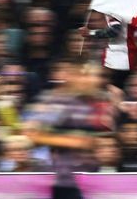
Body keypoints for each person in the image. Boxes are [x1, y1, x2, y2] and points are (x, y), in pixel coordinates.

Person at [22, 60, 114, 199]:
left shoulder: (97, 102)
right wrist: (74, 141)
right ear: (72, 77)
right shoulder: (58, 101)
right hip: (65, 181)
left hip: (93, 180)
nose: (92, 80)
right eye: (85, 75)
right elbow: (32, 134)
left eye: (95, 76)